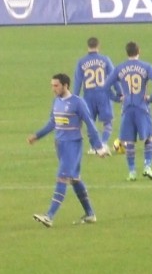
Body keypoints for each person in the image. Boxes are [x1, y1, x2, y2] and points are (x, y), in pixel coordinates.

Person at [29, 73, 109, 228]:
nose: (53, 89)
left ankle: (49, 216)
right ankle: (90, 214)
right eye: (52, 85)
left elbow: (90, 124)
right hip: (60, 145)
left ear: (65, 85)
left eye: (56, 85)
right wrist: (37, 136)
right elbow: (52, 123)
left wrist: (98, 146)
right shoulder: (56, 101)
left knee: (62, 178)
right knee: (74, 179)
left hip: (73, 145)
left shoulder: (77, 103)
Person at [104, 42, 152, 181]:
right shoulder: (146, 67)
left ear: (127, 52)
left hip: (127, 108)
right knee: (148, 138)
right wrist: (151, 98)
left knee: (129, 141)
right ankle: (147, 166)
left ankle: (132, 172)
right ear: (139, 51)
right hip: (142, 107)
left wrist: (117, 98)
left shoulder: (120, 68)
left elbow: (106, 86)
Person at [72, 37, 117, 152]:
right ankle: (103, 143)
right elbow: (113, 78)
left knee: (90, 123)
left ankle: (94, 147)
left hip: (88, 96)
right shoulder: (105, 60)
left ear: (88, 46)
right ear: (98, 46)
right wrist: (120, 92)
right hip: (103, 94)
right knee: (107, 122)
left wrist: (74, 99)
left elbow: (78, 82)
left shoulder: (81, 62)